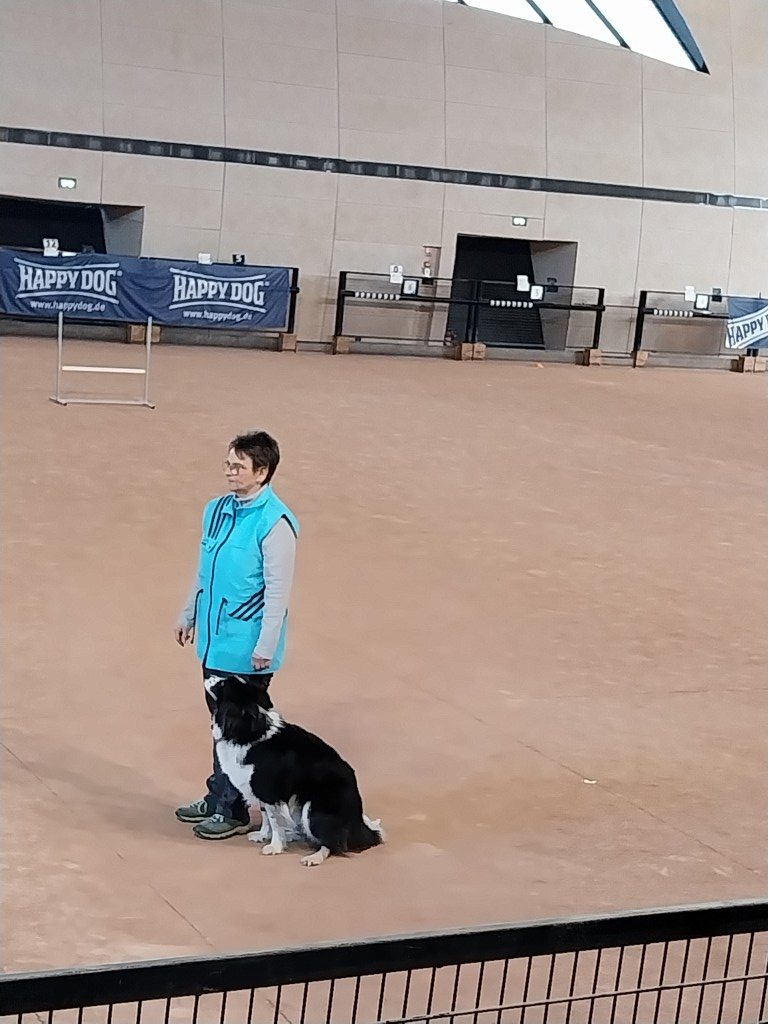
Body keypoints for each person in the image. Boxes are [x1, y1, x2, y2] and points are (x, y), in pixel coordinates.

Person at [174, 431, 299, 840]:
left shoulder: (276, 523)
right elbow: (205, 569)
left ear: (262, 472)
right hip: (214, 642)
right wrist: (189, 613)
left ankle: (234, 809)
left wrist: (266, 645)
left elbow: (277, 592)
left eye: (238, 466)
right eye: (228, 464)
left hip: (247, 650)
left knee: (239, 733)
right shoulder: (216, 510)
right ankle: (220, 795)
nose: (229, 472)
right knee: (219, 725)